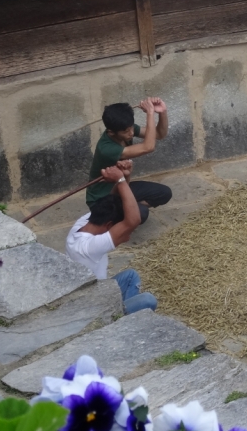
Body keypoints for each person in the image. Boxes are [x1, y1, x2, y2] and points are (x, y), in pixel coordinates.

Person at [67, 161, 157, 314]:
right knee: (148, 300)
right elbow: (133, 220)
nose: (127, 238)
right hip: (94, 307)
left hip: (98, 290)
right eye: (123, 232)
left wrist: (123, 178)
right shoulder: (89, 247)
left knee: (130, 276)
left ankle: (123, 315)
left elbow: (112, 202)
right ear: (109, 226)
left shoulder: (83, 224)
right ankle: (115, 321)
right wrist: (120, 180)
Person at [86, 98, 172, 223]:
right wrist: (150, 113)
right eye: (126, 131)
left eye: (131, 127)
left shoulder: (125, 128)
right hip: (102, 199)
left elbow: (159, 134)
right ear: (111, 132)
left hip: (120, 187)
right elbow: (148, 147)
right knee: (141, 213)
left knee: (164, 193)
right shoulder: (106, 148)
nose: (131, 133)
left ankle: (126, 209)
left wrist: (162, 112)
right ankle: (112, 217)